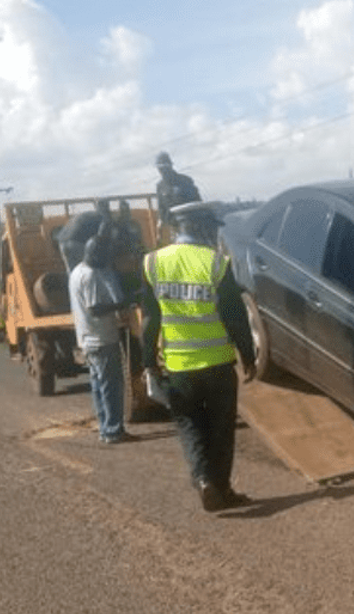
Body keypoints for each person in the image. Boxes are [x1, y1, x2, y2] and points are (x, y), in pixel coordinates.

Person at [140, 201, 256, 511]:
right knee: (221, 430)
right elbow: (235, 317)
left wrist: (148, 363)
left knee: (189, 427)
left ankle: (204, 481)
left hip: (178, 368)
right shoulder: (216, 263)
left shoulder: (153, 263)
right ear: (202, 227)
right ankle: (223, 488)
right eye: (211, 227)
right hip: (218, 365)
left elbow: (149, 320)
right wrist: (249, 355)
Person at [69, 234, 136, 444]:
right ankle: (114, 430)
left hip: (87, 339)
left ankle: (105, 428)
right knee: (111, 387)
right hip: (102, 339)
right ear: (97, 254)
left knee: (99, 386)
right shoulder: (91, 276)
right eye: (106, 255)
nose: (109, 259)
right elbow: (95, 309)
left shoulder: (77, 271)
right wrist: (124, 303)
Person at [59, 200, 112, 273]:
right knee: (93, 267)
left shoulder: (87, 214)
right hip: (77, 243)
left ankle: (73, 283)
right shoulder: (103, 218)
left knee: (72, 272)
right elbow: (101, 238)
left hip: (62, 242)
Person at [154, 152, 202, 229]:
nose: (162, 171)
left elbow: (197, 202)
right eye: (160, 168)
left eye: (164, 168)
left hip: (193, 224)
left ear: (170, 166)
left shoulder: (185, 181)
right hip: (175, 227)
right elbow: (161, 209)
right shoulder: (160, 186)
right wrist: (162, 221)